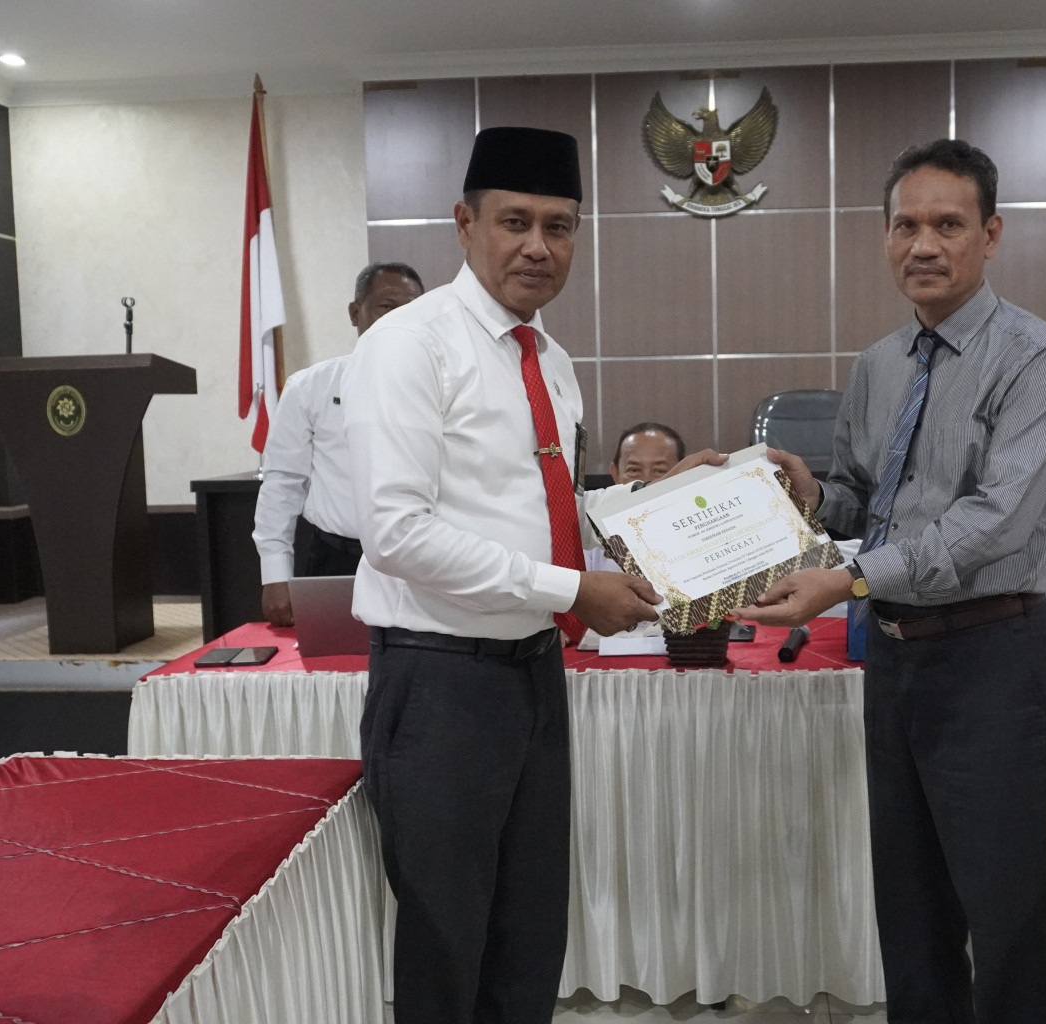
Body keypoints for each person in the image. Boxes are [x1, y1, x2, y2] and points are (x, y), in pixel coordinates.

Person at [342, 126, 722, 1024]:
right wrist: (572, 592)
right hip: (439, 681)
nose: (538, 247)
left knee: (528, 932)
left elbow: (539, 503)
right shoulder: (409, 344)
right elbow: (396, 532)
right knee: (447, 941)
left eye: (560, 226)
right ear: (465, 224)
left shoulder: (548, 357)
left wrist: (673, 500)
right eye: (515, 222)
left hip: (533, 674)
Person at [731, 138, 1046, 1023]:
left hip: (990, 653)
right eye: (905, 226)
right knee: (911, 899)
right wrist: (809, 496)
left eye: (947, 225)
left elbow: (993, 521)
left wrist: (848, 582)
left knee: (1003, 902)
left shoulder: (1042, 359)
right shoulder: (880, 363)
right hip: (893, 655)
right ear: (885, 236)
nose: (923, 245)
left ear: (991, 235)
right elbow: (867, 500)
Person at [251, 261, 423, 626]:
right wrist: (274, 574)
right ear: (355, 312)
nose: (400, 320)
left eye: (412, 310)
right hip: (336, 558)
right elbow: (282, 483)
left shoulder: (445, 387)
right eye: (387, 307)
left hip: (421, 560)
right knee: (335, 657)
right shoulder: (310, 387)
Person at [586, 422, 686, 572]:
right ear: (615, 473)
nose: (645, 480)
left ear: (683, 472)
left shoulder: (701, 529)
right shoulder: (589, 536)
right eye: (634, 470)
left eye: (660, 470)